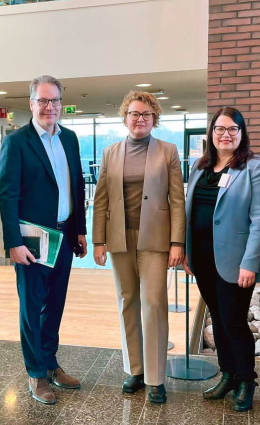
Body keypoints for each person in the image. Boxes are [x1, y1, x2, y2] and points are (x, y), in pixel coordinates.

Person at [92, 91, 186, 404]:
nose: (140, 119)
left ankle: (156, 379)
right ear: (125, 117)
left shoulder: (168, 151)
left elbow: (177, 200)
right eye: (134, 113)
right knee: (127, 301)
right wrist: (98, 241)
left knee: (154, 304)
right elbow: (101, 199)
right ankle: (135, 369)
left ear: (154, 119)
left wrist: (177, 242)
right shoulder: (110, 153)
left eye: (146, 114)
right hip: (120, 239)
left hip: (155, 241)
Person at [0, 75, 87, 405]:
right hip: (32, 239)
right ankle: (36, 373)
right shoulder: (17, 142)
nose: (49, 107)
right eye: (43, 101)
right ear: (31, 103)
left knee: (55, 304)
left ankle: (50, 362)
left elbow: (77, 185)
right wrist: (13, 242)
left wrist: (80, 230)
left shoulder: (70, 139)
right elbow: (8, 196)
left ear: (62, 103)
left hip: (64, 234)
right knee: (32, 305)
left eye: (55, 101)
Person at [183, 107, 260, 412]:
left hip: (236, 261)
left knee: (234, 321)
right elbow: (190, 212)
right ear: (211, 133)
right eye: (219, 129)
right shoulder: (200, 167)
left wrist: (250, 263)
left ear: (241, 133)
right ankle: (228, 375)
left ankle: (246, 380)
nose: (225, 134)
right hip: (203, 258)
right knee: (219, 319)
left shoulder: (255, 168)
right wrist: (187, 252)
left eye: (232, 129)